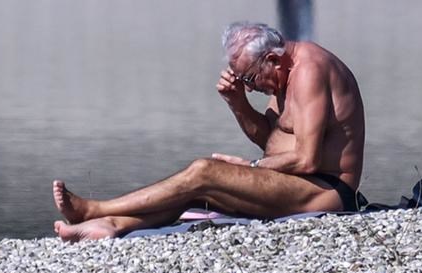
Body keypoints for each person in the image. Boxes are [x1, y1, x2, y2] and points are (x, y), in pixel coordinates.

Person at [52, 21, 366, 241]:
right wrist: (238, 103)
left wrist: (251, 168)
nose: (251, 87)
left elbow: (307, 160)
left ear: (272, 59)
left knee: (204, 172)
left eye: (250, 79)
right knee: (197, 190)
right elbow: (271, 142)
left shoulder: (309, 71)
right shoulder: (281, 75)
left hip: (326, 191)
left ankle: (95, 208)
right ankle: (109, 225)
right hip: (292, 181)